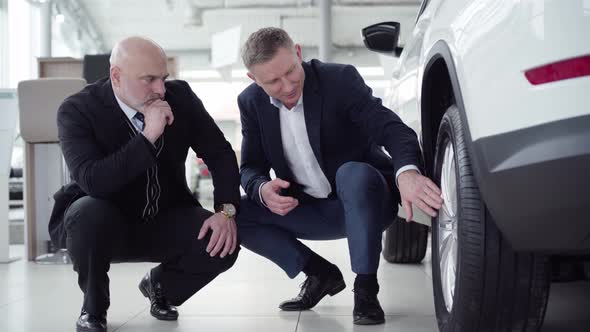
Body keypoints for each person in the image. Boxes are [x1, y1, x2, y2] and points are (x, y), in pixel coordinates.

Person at [236, 27, 443, 325]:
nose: (287, 85)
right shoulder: (251, 103)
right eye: (272, 81)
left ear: (297, 53)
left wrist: (407, 172)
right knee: (237, 214)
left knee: (352, 173)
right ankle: (319, 274)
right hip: (308, 208)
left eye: (290, 72)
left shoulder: (339, 80)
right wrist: (262, 188)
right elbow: (250, 167)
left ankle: (366, 289)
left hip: (366, 199)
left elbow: (392, 129)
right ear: (254, 80)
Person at [50, 37, 241, 332]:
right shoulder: (77, 110)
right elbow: (92, 181)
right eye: (148, 80)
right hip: (104, 223)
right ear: (116, 76)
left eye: (163, 78)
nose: (160, 90)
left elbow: (220, 153)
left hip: (165, 215)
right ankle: (93, 309)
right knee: (87, 213)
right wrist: (147, 136)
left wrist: (225, 211)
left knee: (223, 243)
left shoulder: (181, 98)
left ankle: (161, 287)